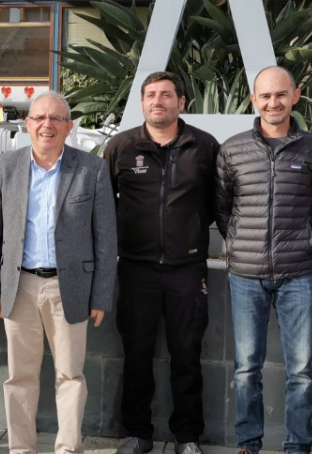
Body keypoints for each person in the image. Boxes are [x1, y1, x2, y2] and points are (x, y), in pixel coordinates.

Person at [0, 92, 117, 454]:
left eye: (56, 118)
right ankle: (21, 449)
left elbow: (106, 239)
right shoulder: (4, 167)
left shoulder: (92, 169)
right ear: (27, 124)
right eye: (40, 117)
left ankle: (67, 448)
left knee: (70, 376)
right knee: (20, 377)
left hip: (69, 287)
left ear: (69, 127)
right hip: (19, 284)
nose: (47, 125)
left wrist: (101, 295)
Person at [214, 67, 312, 454]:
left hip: (299, 272)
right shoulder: (232, 148)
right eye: (265, 96)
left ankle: (297, 446)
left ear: (295, 96)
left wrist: (308, 240)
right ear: (254, 99)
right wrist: (238, 243)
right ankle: (249, 443)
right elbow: (223, 208)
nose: (273, 103)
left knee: (301, 371)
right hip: (245, 274)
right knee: (247, 367)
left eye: (281, 95)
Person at [102, 71, 219, 454]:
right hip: (136, 268)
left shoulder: (203, 146)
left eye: (166, 95)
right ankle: (137, 433)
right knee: (136, 354)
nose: (158, 101)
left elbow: (219, 205)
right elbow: (103, 207)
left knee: (187, 354)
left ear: (181, 102)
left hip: (188, 269)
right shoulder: (121, 146)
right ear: (142, 103)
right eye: (151, 95)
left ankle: (187, 437)